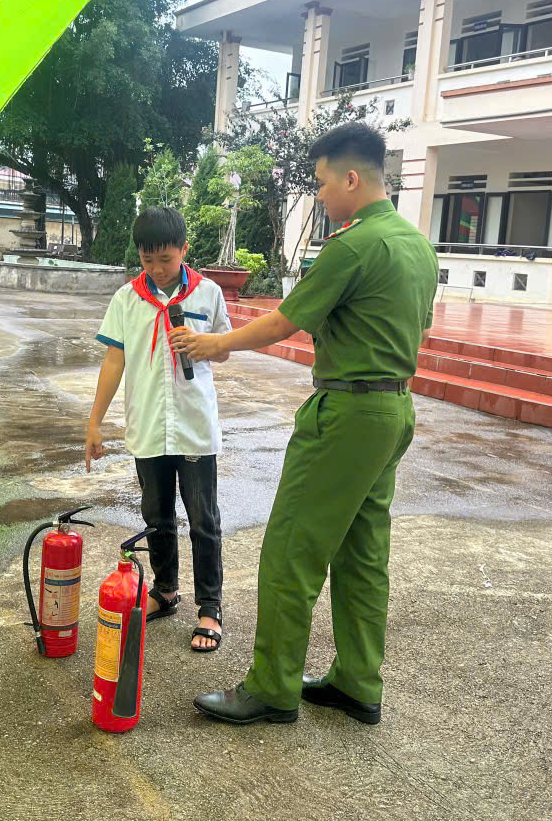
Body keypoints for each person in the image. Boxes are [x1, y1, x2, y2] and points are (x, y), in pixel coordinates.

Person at [173, 121, 438, 724]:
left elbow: (283, 322)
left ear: (351, 178)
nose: (319, 195)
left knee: (293, 547)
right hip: (393, 409)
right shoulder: (417, 246)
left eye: (322, 183)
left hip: (345, 415)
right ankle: (356, 680)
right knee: (363, 552)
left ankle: (272, 686)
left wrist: (216, 345)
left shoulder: (353, 244)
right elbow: (416, 329)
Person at [86, 206, 233, 652]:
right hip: (149, 427)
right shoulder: (127, 300)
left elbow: (225, 349)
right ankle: (166, 591)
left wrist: (205, 345)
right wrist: (94, 421)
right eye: (147, 260)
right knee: (157, 516)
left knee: (203, 521)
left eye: (165, 259)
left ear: (184, 250)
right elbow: (114, 362)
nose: (157, 269)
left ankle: (210, 606)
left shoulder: (207, 294)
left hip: (193, 429)